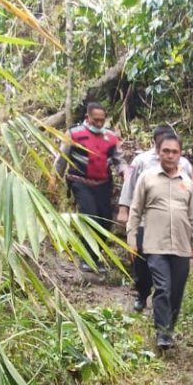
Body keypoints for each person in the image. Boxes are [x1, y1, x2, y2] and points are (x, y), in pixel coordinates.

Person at [127, 133, 193, 351]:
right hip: (154, 244)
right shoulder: (147, 178)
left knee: (176, 290)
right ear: (158, 152)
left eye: (174, 152)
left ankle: (169, 328)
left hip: (181, 246)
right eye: (165, 151)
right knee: (162, 287)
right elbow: (135, 209)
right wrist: (131, 238)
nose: (169, 155)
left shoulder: (186, 182)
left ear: (180, 154)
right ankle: (162, 333)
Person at [116, 125, 193, 313]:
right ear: (156, 144)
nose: (168, 154)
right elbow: (130, 187)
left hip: (174, 226)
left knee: (169, 272)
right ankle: (142, 293)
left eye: (172, 149)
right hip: (146, 222)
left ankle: (164, 308)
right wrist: (123, 209)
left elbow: (192, 195)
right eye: (163, 147)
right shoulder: (142, 161)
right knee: (143, 264)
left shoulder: (183, 164)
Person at [53, 100, 121, 269]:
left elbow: (118, 160)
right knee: (90, 217)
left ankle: (94, 257)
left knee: (105, 222)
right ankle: (85, 258)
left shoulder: (111, 137)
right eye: (95, 120)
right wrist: (53, 178)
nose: (99, 123)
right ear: (87, 117)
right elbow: (62, 159)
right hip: (80, 182)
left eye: (102, 120)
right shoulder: (74, 133)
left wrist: (125, 171)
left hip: (103, 184)